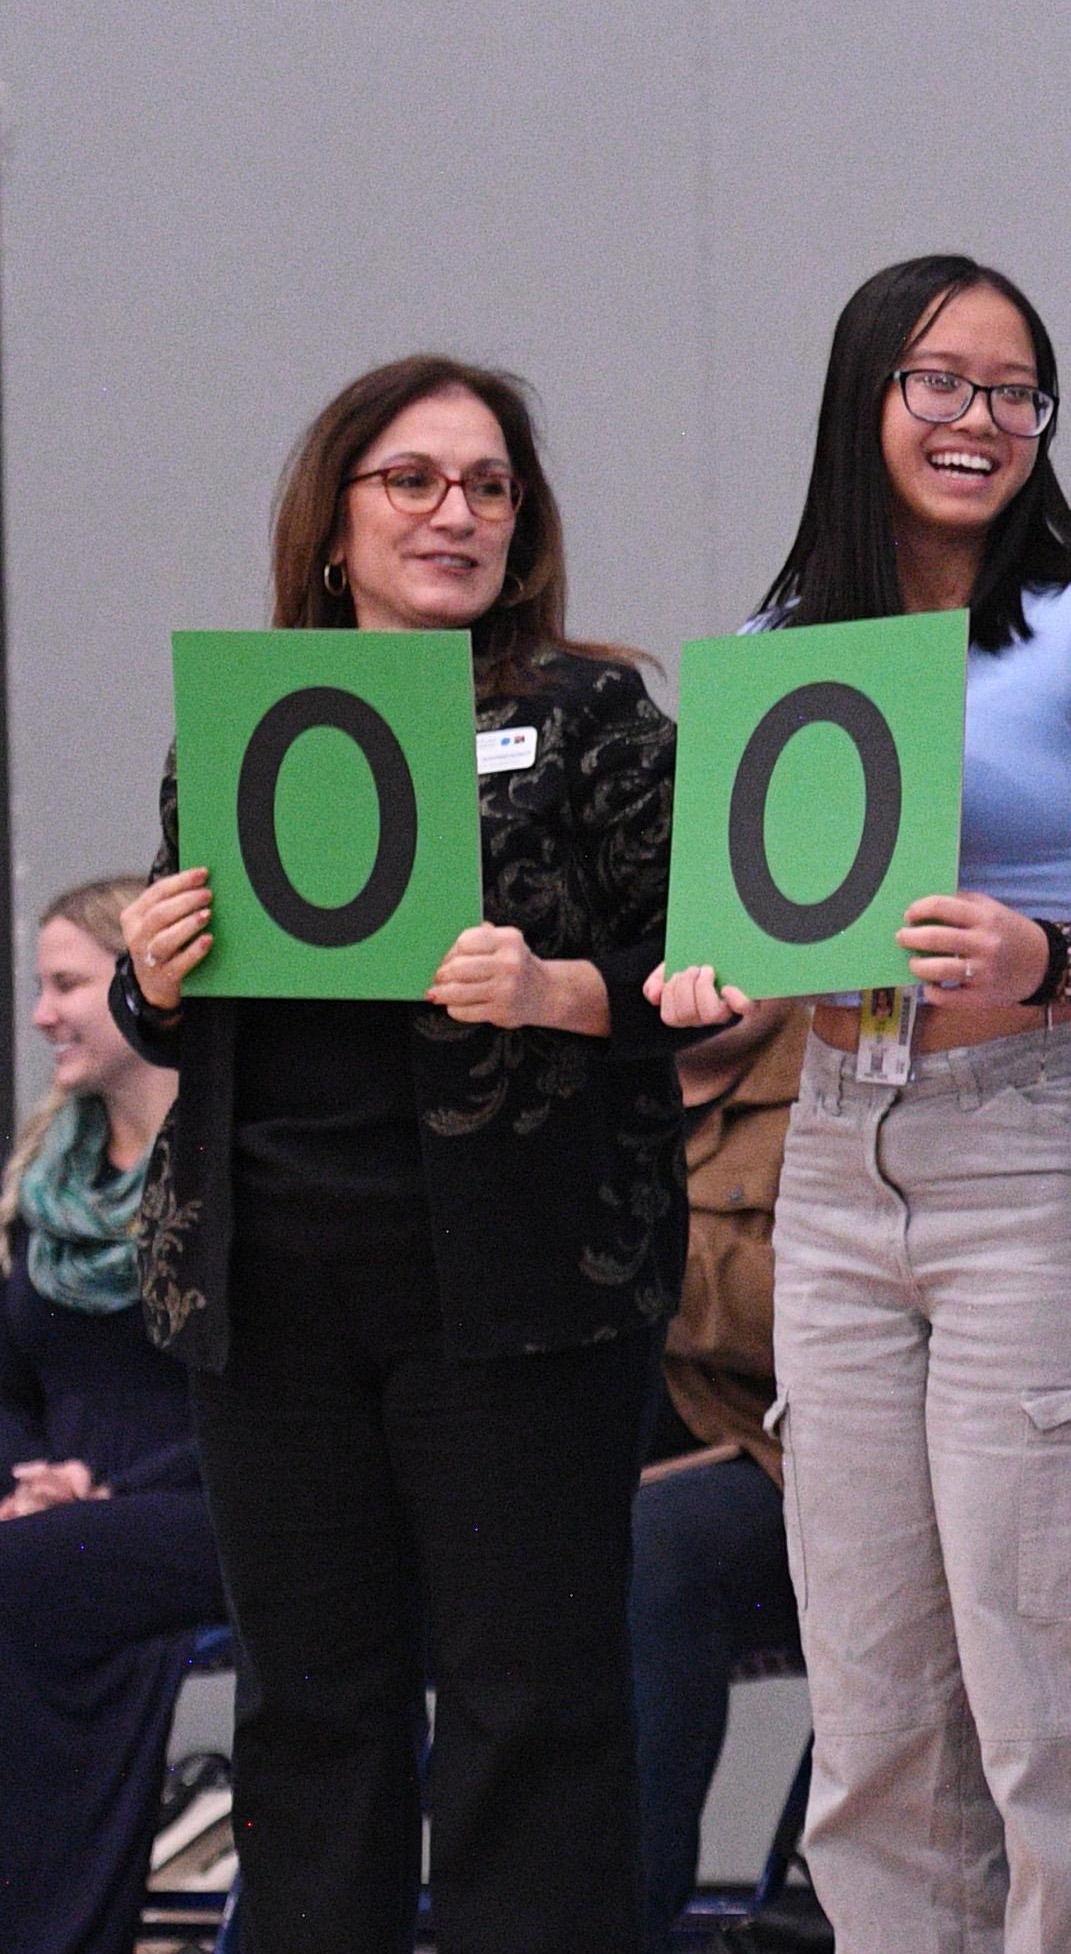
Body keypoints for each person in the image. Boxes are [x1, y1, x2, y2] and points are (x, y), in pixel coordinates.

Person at [650, 255, 1071, 1954]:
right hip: (843, 1150)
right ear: (864, 396)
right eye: (941, 381)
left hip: (1046, 1159)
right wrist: (716, 981)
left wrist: (1050, 952)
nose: (979, 421)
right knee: (878, 1725)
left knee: (1066, 1717)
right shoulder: (785, 646)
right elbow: (757, 925)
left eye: (1013, 391)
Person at [113, 356, 693, 1952]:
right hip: (268, 1284)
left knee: (529, 1713)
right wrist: (144, 973)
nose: (459, 510)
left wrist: (560, 986)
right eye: (416, 479)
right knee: (311, 1710)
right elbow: (169, 1015)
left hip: (514, 1282)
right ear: (335, 520)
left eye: (491, 484)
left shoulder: (591, 716)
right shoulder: (238, 722)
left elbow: (709, 972)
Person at [0, 877, 216, 1954]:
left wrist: (106, 1489)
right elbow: (9, 1384)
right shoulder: (46, 1179)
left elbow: (258, 1386)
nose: (42, 1014)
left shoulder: (228, 1167)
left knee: (31, 1577)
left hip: (212, 1493)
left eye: (67, 985)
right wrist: (29, 1471)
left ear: (139, 986)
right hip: (62, 1502)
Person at [625, 997, 808, 1944]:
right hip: (569, 1458)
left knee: (649, 1550)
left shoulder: (839, 1066)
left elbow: (825, 1314)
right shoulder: (578, 1074)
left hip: (781, 1467)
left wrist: (629, 1249)